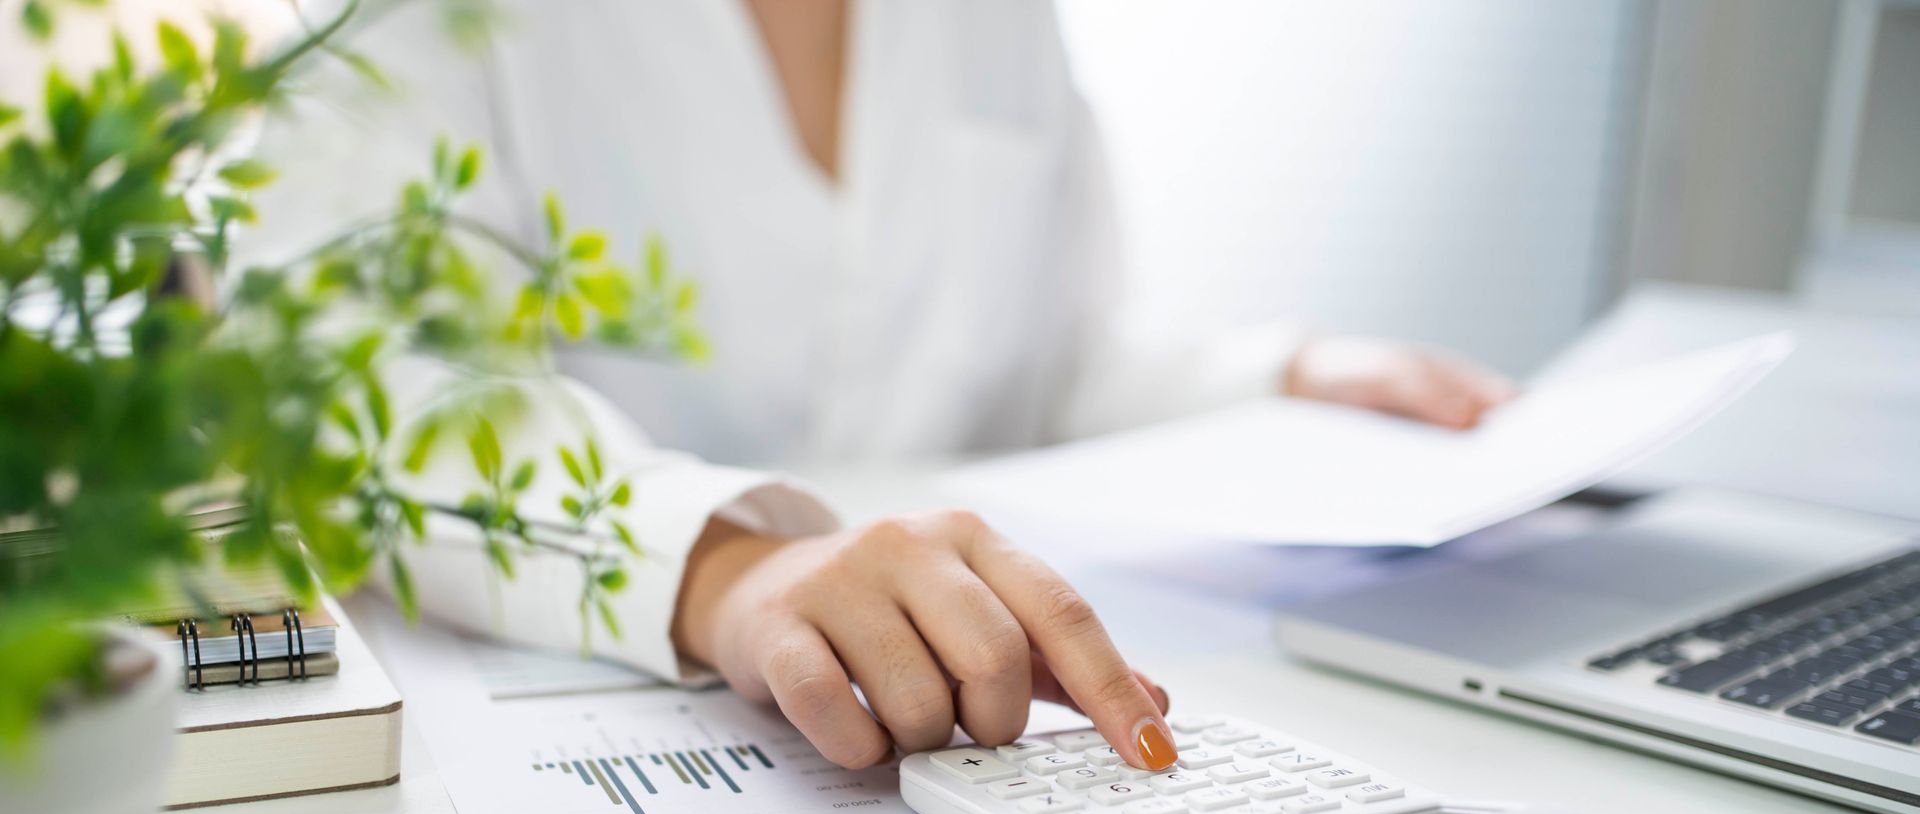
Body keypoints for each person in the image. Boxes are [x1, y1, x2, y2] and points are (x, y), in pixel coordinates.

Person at [248, 0, 1515, 773]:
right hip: (588, 726)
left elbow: (1047, 357)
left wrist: (1281, 378)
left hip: (963, 751)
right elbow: (347, 388)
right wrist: (729, 570)